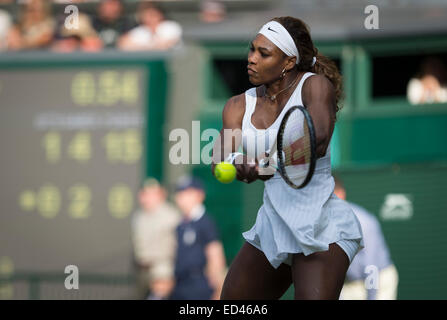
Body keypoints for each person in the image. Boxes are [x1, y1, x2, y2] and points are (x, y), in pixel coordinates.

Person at [211, 16, 364, 300]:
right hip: (272, 225)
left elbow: (317, 139)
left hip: (321, 224)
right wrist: (236, 162)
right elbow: (220, 154)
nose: (252, 59)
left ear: (289, 62)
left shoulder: (315, 86)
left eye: (263, 53)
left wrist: (266, 163)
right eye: (252, 49)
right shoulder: (236, 105)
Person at [333, 176, 399, 300]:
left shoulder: (363, 221)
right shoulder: (324, 221)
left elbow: (371, 267)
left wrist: (372, 297)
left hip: (379, 281)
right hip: (350, 284)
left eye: (331, 195)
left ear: (341, 194)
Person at [169, 176, 227, 300]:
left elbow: (215, 255)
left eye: (187, 193)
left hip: (199, 286)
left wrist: (219, 288)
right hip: (180, 285)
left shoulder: (205, 222)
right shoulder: (180, 225)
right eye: (179, 193)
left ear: (200, 195)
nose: (181, 198)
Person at [131, 178, 181, 300]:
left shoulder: (171, 216)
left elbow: (178, 246)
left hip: (162, 271)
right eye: (145, 193)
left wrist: (169, 274)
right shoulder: (139, 216)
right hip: (142, 270)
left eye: (151, 193)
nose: (147, 197)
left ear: (161, 194)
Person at [118, 2, 182, 51]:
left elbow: (165, 45)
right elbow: (123, 44)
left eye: (152, 14)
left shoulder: (170, 26)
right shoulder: (141, 30)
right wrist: (151, 47)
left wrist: (140, 47)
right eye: (146, 15)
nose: (149, 18)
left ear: (160, 14)